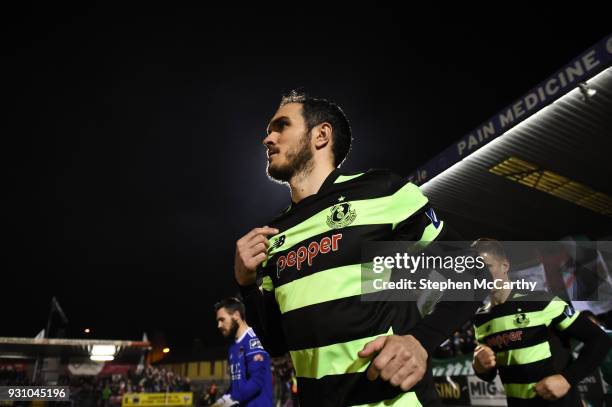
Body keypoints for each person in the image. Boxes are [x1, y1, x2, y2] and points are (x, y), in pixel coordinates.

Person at [234, 90, 484, 406]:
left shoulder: (381, 191)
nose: (267, 139)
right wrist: (246, 284)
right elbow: (276, 342)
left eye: (281, 126)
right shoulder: (274, 234)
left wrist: (420, 342)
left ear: (321, 135)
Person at [471, 238, 611, 407]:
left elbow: (599, 339)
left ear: (504, 266)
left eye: (487, 266)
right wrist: (479, 366)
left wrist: (567, 379)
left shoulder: (541, 302)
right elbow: (489, 373)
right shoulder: (480, 318)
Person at [213, 297, 273, 407]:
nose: (219, 325)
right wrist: (221, 401)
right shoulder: (233, 348)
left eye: (222, 319)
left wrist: (231, 400)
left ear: (236, 315)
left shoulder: (253, 340)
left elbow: (257, 381)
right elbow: (236, 386)